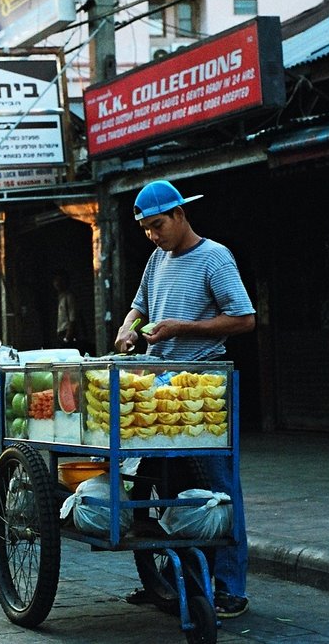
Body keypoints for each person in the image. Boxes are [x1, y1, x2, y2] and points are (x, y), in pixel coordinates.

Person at [114, 179, 256, 619]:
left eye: (158, 226)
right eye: (145, 230)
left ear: (179, 214)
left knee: (218, 488)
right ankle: (177, 580)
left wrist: (180, 328)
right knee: (168, 481)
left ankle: (230, 587)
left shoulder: (214, 256)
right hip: (160, 384)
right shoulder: (157, 260)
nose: (153, 236)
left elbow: (243, 319)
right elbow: (139, 304)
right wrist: (128, 324)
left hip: (205, 385)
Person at [52, 272, 80, 349]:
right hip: (60, 333)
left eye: (60, 280)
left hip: (66, 332)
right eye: (56, 280)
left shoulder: (69, 297)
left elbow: (72, 319)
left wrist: (67, 338)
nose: (57, 283)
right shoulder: (59, 297)